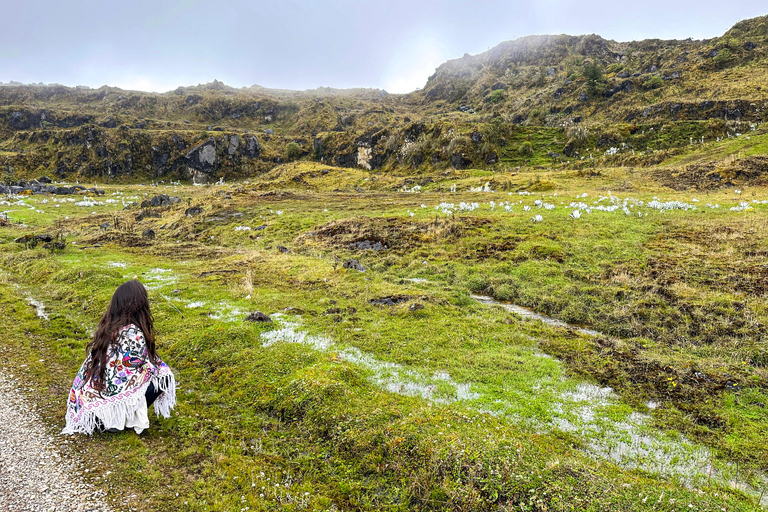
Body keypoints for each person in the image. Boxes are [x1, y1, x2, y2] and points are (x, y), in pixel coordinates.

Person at [62, 279, 176, 435]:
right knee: (164, 376)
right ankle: (121, 419)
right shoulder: (133, 333)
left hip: (88, 408)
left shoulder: (108, 329)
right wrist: (157, 365)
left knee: (149, 372)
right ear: (139, 305)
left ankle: (115, 415)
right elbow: (141, 369)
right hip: (103, 412)